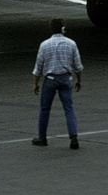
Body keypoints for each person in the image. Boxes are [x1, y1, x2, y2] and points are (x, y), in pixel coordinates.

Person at [32, 18, 83, 149]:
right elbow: (78, 66)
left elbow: (38, 67)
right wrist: (79, 80)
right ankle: (74, 137)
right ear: (63, 29)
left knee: (45, 109)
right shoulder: (71, 43)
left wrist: (36, 83)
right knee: (69, 109)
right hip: (66, 79)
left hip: (50, 80)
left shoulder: (44, 45)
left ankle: (42, 138)